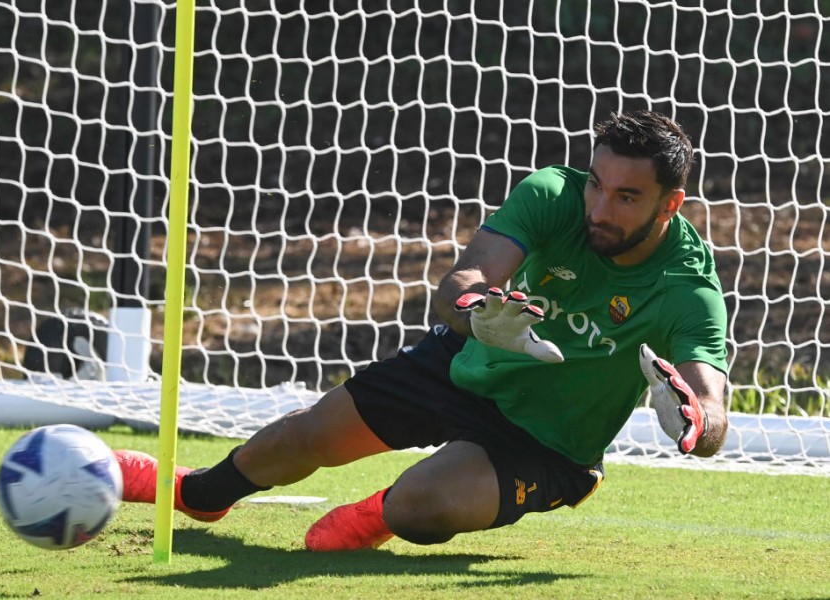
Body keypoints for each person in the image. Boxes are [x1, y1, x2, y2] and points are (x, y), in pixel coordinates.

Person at [116, 109, 729, 551]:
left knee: (420, 505)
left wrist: (695, 422)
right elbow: (462, 280)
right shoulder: (551, 195)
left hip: (547, 445)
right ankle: (195, 493)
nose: (599, 208)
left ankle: (379, 513)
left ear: (668, 204)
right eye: (597, 183)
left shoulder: (687, 288)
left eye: (626, 197)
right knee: (305, 437)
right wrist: (479, 317)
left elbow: (712, 406)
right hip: (462, 367)